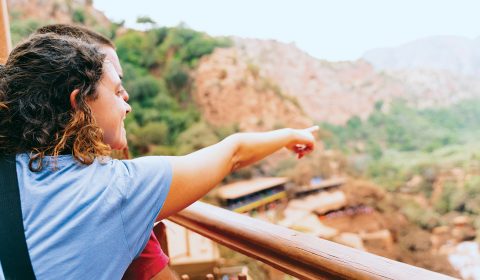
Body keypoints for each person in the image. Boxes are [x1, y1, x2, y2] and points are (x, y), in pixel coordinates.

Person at [0, 29, 317, 280]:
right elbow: (232, 153)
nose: (127, 104)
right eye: (114, 91)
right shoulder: (115, 191)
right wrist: (289, 135)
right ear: (79, 103)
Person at [33, 23, 171, 280]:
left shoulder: (26, 173)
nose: (126, 96)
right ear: (80, 97)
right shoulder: (109, 193)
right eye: (113, 82)